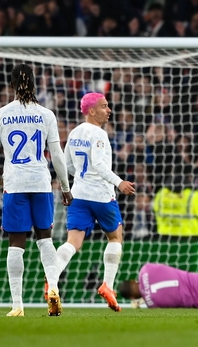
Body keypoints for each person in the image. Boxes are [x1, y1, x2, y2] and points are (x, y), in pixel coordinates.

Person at [0, 64, 73, 317]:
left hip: (15, 184)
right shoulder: (46, 114)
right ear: (34, 84)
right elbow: (56, 154)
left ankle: (17, 305)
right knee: (45, 240)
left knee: (16, 245)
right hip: (41, 183)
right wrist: (66, 188)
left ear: (11, 85)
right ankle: (53, 288)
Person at [56, 93, 136, 312]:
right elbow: (100, 166)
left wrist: (71, 184)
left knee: (73, 242)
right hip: (101, 195)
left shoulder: (74, 133)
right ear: (91, 111)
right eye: (104, 106)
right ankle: (107, 286)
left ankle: (52, 280)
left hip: (78, 195)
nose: (108, 110)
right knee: (115, 236)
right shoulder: (99, 134)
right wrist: (119, 183)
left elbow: (67, 166)